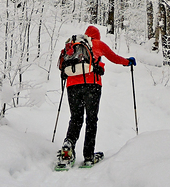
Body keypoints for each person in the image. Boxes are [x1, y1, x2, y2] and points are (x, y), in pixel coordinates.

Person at [58, 25, 136, 166]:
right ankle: (88, 156)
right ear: (97, 36)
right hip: (92, 85)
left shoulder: (74, 44)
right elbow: (114, 58)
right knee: (91, 120)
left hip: (72, 86)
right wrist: (127, 62)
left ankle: (68, 145)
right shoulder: (98, 44)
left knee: (75, 118)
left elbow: (61, 65)